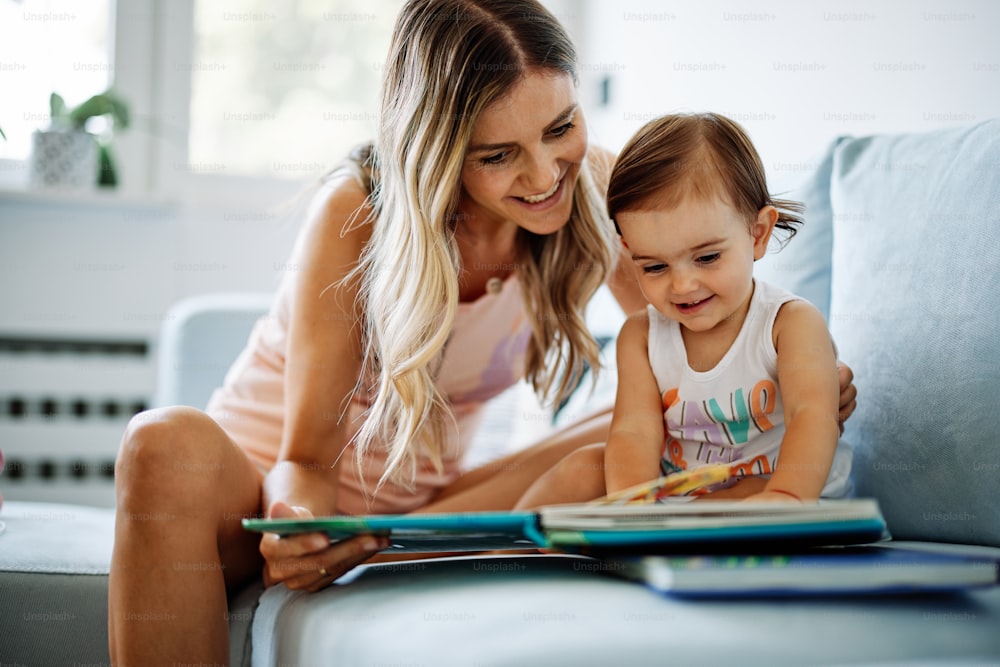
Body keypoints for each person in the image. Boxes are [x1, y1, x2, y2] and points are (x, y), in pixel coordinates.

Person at [108, 3, 857, 664]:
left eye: (560, 128)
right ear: (437, 153)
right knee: (161, 440)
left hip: (421, 512)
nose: (545, 174)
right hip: (270, 495)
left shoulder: (594, 188)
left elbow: (691, 361)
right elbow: (301, 459)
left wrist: (790, 378)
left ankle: (400, 544)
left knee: (627, 421)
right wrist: (299, 525)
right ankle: (378, 542)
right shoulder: (358, 211)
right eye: (499, 155)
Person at [516, 112, 852, 509]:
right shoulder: (640, 336)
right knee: (582, 467)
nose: (682, 286)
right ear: (629, 253)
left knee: (737, 500)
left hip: (776, 484)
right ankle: (502, 550)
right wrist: (633, 506)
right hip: (678, 490)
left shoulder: (790, 323)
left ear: (758, 233)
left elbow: (811, 415)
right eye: (655, 267)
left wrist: (787, 495)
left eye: (707, 258)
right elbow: (635, 433)